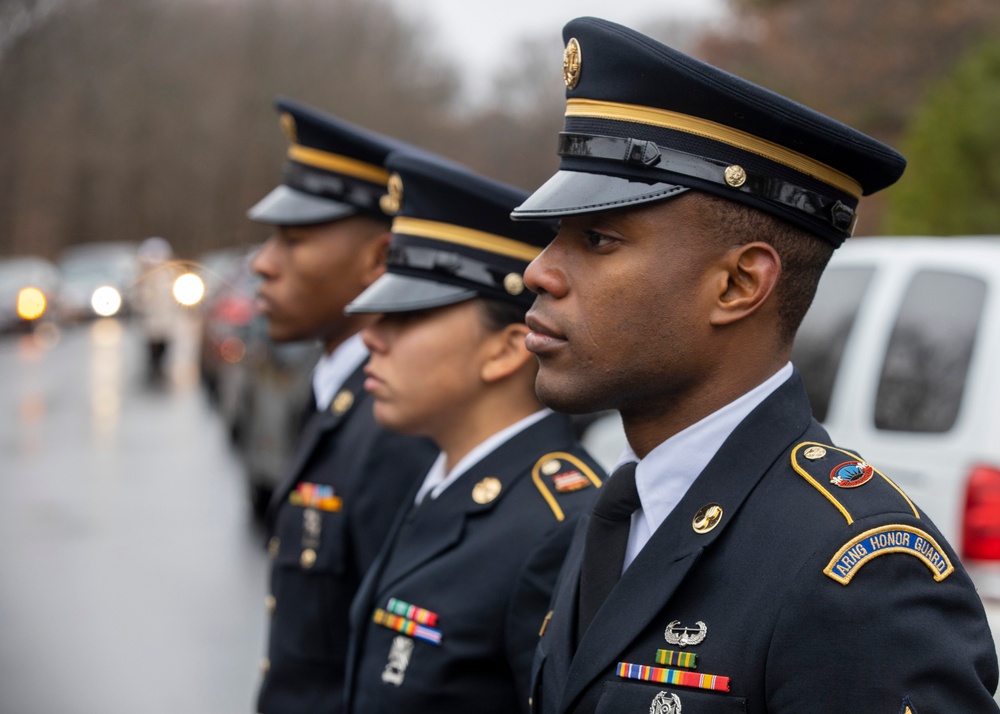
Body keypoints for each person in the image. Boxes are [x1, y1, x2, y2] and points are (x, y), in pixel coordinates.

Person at [510, 17, 1000, 714]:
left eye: (598, 238)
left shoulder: (859, 575)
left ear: (739, 285)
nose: (539, 271)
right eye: (553, 239)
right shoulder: (614, 516)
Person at [341, 151, 606, 714]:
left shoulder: (556, 526)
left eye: (406, 318)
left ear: (507, 349)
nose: (370, 338)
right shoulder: (439, 475)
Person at [247, 96, 439, 714]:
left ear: (378, 261)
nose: (262, 263)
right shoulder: (335, 392)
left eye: (294, 240)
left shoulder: (396, 423)